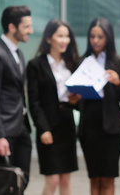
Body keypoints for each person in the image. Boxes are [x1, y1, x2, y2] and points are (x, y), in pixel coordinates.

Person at [74, 17, 120, 195]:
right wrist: (74, 97)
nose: (96, 41)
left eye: (100, 36)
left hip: (112, 129)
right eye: (92, 36)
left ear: (108, 38)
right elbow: (76, 103)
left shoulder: (118, 61)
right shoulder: (81, 62)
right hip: (89, 127)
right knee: (94, 177)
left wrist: (117, 82)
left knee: (108, 177)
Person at [0, 6, 33, 187]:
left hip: (20, 126)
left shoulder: (17, 53)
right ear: (12, 27)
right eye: (26, 27)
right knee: (4, 184)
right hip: (3, 129)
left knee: (21, 180)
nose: (30, 31)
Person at [26, 19, 80, 195]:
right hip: (48, 126)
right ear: (49, 39)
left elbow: (79, 99)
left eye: (67, 36)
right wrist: (42, 129)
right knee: (53, 179)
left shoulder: (72, 64)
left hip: (67, 124)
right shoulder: (35, 65)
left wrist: (75, 101)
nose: (65, 40)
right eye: (60, 36)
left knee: (66, 178)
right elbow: (33, 102)